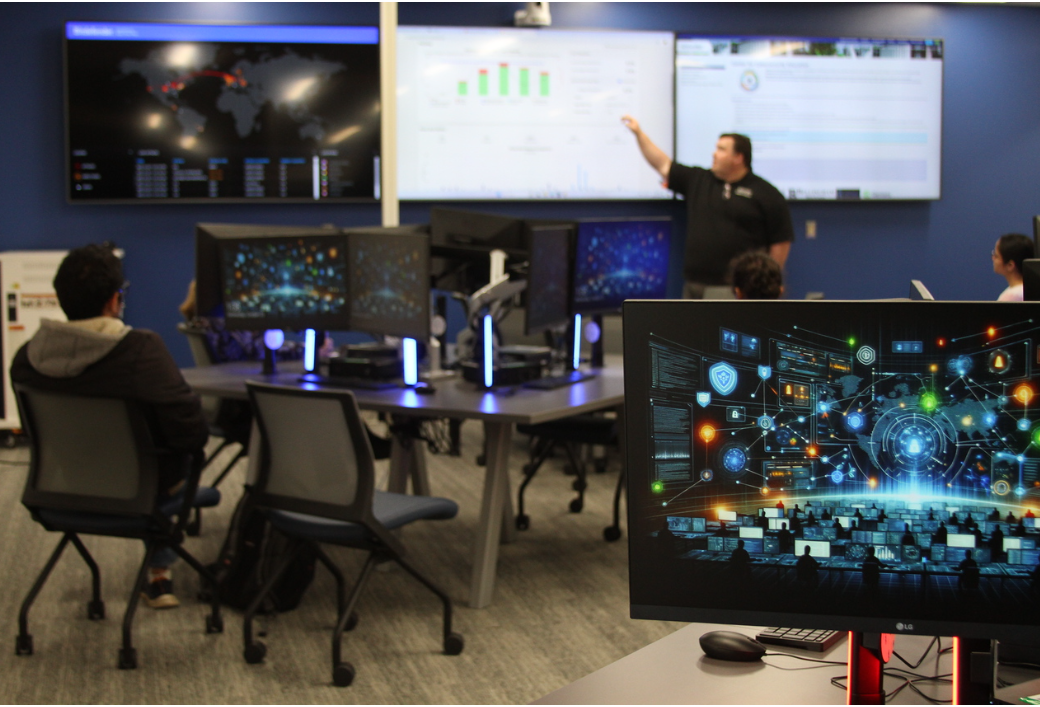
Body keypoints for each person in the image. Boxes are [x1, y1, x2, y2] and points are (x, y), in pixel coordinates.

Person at [10, 244, 208, 609]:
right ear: (114, 301)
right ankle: (159, 575)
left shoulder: (26, 359)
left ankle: (160, 573)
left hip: (63, 488)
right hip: (141, 491)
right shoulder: (141, 350)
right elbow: (192, 433)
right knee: (166, 460)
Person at [621, 116, 794, 298]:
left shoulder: (766, 193)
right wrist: (639, 134)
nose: (714, 154)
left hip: (734, 288)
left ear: (738, 157)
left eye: (721, 149)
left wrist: (764, 284)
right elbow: (662, 164)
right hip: (693, 284)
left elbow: (781, 241)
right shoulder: (699, 180)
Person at [992, 233, 1033, 302]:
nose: (993, 258)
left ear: (1010, 265)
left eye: (996, 256)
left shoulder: (1010, 298)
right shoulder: (1032, 291)